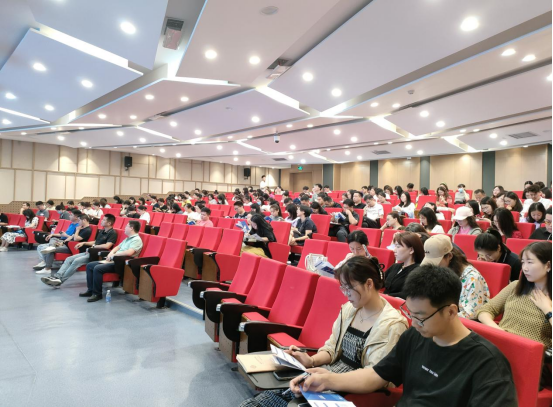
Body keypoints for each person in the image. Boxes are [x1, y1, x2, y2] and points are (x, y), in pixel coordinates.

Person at [294, 265, 517, 407]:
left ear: (451, 312)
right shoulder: (415, 336)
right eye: (410, 313)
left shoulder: (487, 364)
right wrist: (327, 380)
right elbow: (376, 375)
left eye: (420, 317)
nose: (414, 322)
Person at [240, 256, 408, 407]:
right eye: (342, 288)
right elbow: (331, 348)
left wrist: (329, 379)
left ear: (369, 284)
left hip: (350, 388)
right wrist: (311, 360)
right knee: (260, 401)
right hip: (327, 375)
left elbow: (375, 378)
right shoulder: (349, 309)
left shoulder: (393, 325)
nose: (346, 294)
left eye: (349, 288)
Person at [477, 241, 551, 359]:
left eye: (530, 262)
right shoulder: (516, 286)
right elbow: (485, 310)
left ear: (548, 266)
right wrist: (499, 332)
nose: (524, 268)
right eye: (523, 262)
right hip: (499, 348)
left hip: (529, 357)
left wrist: (548, 309)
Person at [421, 235, 489, 319]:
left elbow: (471, 314)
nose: (433, 267)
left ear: (449, 256)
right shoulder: (441, 272)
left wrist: (437, 317)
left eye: (436, 262)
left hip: (461, 322)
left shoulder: (472, 278)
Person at [41, 214, 118, 287]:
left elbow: (107, 246)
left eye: (104, 220)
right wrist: (84, 243)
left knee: (76, 261)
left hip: (97, 254)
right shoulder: (102, 231)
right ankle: (57, 276)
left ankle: (60, 280)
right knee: (69, 259)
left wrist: (94, 246)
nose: (101, 221)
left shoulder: (112, 233)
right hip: (91, 251)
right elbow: (95, 242)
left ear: (109, 223)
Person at [81, 221, 143, 303]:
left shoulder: (136, 240)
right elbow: (117, 247)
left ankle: (97, 294)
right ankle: (90, 290)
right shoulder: (127, 238)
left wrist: (114, 255)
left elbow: (129, 252)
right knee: (89, 265)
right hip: (115, 260)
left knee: (97, 268)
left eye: (126, 226)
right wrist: (111, 253)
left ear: (131, 228)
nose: (124, 228)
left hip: (122, 263)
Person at [384, 232, 424, 298]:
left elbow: (407, 294)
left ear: (411, 250)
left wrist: (386, 296)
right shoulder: (395, 266)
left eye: (398, 247)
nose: (394, 250)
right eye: (395, 246)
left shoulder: (418, 271)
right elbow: (379, 282)